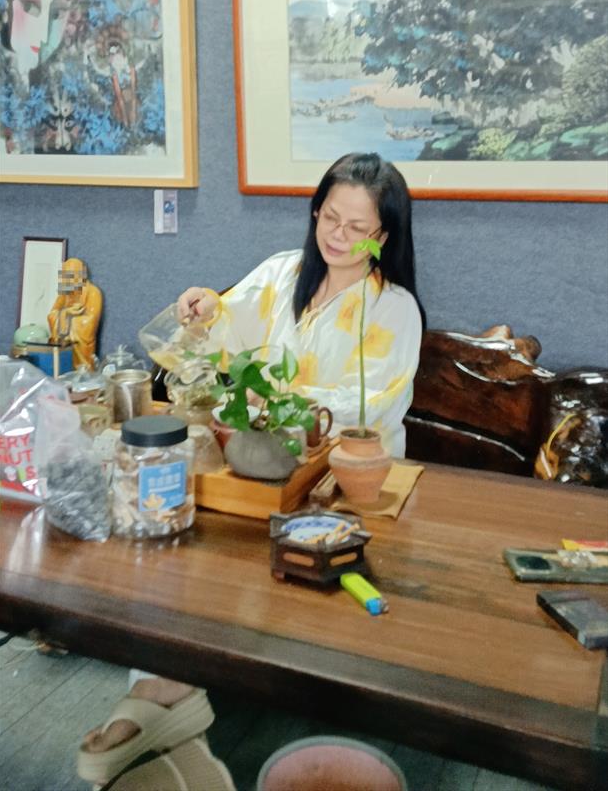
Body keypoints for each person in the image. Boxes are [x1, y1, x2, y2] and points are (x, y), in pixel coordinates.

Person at [77, 152, 425, 788]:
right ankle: (162, 685)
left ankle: (167, 698)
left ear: (384, 236)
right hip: (258, 465)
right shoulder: (280, 273)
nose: (338, 236)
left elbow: (368, 407)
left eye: (358, 228)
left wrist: (270, 401)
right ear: (315, 211)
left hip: (342, 483)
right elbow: (217, 337)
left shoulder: (393, 308)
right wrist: (201, 310)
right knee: (172, 537)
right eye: (330, 217)